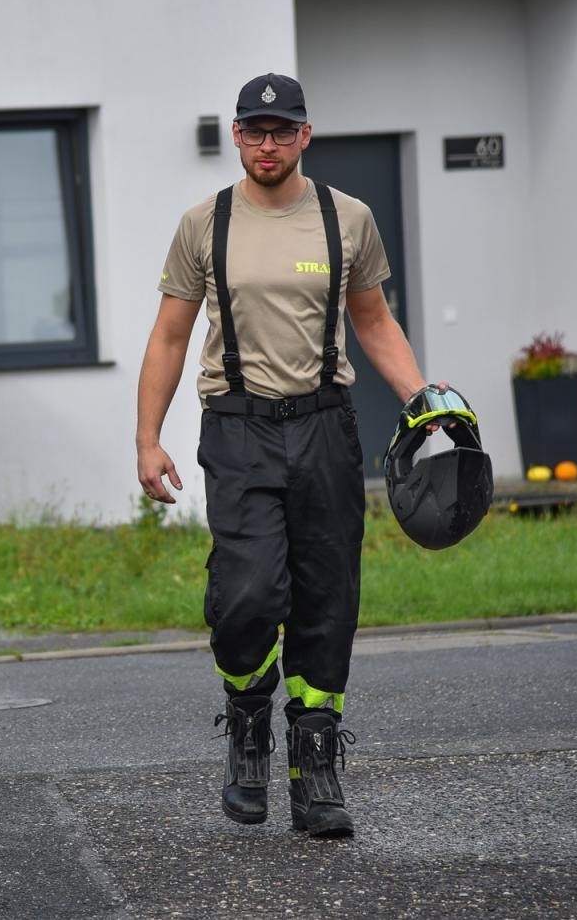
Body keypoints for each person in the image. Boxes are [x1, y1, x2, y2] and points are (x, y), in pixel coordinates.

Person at [135, 73, 439, 837]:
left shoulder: (348, 219)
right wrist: (147, 438)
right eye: (253, 130)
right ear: (237, 136)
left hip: (324, 427)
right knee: (246, 595)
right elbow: (169, 336)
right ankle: (248, 722)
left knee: (326, 597)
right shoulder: (204, 224)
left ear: (305, 135)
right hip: (238, 428)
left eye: (281, 131)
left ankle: (315, 763)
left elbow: (374, 323)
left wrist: (422, 399)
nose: (266, 144)